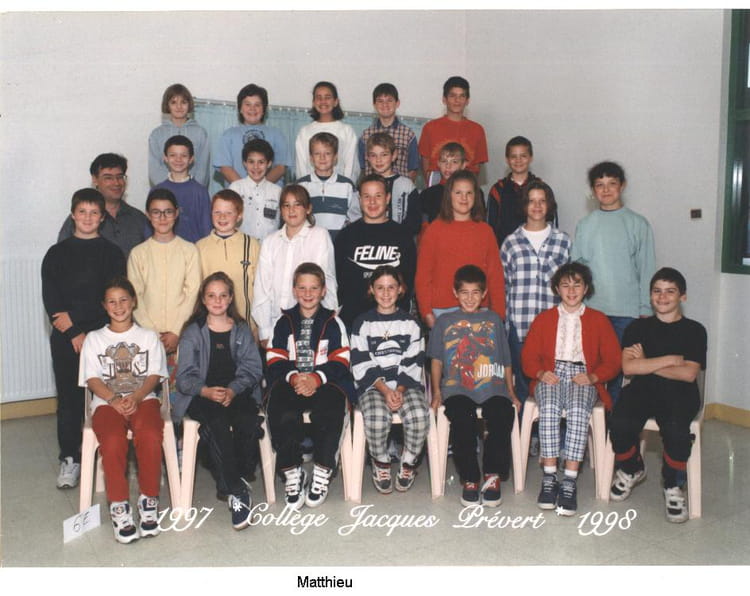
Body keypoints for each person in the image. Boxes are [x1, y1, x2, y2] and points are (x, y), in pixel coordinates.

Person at [42, 188, 127, 489]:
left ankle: (110, 455)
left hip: (103, 337)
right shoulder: (56, 254)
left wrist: (90, 335)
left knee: (107, 396)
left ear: (102, 218)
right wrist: (74, 332)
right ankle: (70, 458)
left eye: (94, 213)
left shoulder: (112, 253)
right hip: (67, 339)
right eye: (82, 212)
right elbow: (52, 301)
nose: (88, 218)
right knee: (70, 400)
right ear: (73, 215)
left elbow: (114, 298)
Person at [521, 263, 621, 515]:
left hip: (582, 375)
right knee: (549, 407)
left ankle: (569, 480)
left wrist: (593, 376)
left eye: (577, 285)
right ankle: (549, 476)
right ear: (557, 289)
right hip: (551, 373)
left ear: (586, 288)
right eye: (565, 285)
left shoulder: (598, 319)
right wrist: (540, 373)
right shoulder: (544, 319)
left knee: (578, 410)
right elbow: (528, 357)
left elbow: (613, 360)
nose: (572, 290)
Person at [608, 268, 706, 523]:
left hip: (681, 393)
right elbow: (629, 368)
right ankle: (632, 468)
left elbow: (688, 374)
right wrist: (671, 359)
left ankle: (673, 485)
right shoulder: (637, 327)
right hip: (642, 389)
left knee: (676, 430)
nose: (662, 297)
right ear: (650, 295)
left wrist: (646, 362)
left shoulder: (695, 330)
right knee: (619, 421)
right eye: (657, 291)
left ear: (683, 296)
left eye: (670, 291)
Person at [78, 276, 167, 544]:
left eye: (123, 300)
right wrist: (114, 398)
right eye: (112, 302)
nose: (118, 307)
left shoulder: (148, 336)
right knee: (113, 440)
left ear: (134, 301)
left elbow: (154, 375)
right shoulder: (94, 339)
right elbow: (92, 379)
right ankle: (119, 507)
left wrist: (137, 396)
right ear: (104, 306)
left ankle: (148, 500)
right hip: (106, 402)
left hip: (144, 398)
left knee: (150, 435)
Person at [173, 272, 263, 530]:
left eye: (223, 295)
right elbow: (184, 377)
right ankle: (236, 489)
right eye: (211, 295)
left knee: (247, 421)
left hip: (237, 391)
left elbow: (253, 368)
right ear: (203, 299)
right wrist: (205, 391)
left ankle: (235, 477)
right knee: (217, 424)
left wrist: (233, 390)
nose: (217, 300)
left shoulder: (241, 329)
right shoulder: (192, 333)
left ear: (231, 298)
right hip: (202, 394)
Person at [427, 265, 520, 506]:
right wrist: (436, 392)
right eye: (464, 292)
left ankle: (492, 474)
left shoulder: (493, 320)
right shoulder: (444, 322)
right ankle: (470, 478)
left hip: (493, 386)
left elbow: (506, 360)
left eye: (475, 293)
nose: (470, 298)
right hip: (457, 388)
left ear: (484, 293)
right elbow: (436, 360)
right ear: (455, 293)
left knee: (502, 414)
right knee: (461, 419)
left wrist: (511, 392)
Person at [265, 262, 354, 510]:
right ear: (294, 290)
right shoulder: (283, 322)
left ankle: (323, 469)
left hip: (325, 381)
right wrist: (295, 377)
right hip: (291, 381)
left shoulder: (334, 322)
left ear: (323, 291)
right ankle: (292, 471)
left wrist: (316, 378)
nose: (307, 293)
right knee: (281, 410)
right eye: (302, 288)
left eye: (314, 288)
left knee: (330, 410)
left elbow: (341, 359)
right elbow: (274, 358)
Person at [571, 161, 656, 403]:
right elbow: (576, 271)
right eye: (600, 185)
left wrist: (645, 308)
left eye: (612, 183)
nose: (606, 190)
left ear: (622, 186)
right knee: (591, 368)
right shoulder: (585, 225)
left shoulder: (638, 224)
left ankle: (614, 422)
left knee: (618, 370)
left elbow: (647, 268)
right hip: (592, 310)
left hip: (626, 313)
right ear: (593, 190)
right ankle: (591, 421)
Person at [350, 265, 428, 493]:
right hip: (374, 386)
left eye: (391, 287)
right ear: (371, 290)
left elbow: (413, 361)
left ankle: (409, 461)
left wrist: (399, 390)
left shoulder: (411, 324)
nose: (386, 293)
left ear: (400, 289)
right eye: (380, 288)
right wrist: (385, 391)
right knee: (376, 418)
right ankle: (381, 461)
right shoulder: (362, 324)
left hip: (406, 385)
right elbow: (361, 362)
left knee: (419, 415)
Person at [500, 180, 570, 412]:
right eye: (531, 201)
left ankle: (554, 433)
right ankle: (524, 433)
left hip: (555, 329)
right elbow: (504, 286)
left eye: (542, 201)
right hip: (520, 327)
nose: (537, 206)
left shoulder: (564, 241)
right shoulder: (510, 243)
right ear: (524, 205)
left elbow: (572, 287)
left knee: (556, 384)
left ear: (550, 205)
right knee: (522, 386)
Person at [127, 188, 201, 383]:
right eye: (156, 212)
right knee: (149, 390)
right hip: (147, 335)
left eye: (168, 212)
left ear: (176, 213)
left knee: (181, 388)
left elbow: (192, 293)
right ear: (147, 215)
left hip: (182, 334)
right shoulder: (138, 253)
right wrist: (153, 334)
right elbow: (135, 297)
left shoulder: (189, 250)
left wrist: (176, 330)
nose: (162, 218)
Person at [415, 170, 505, 329]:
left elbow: (495, 275)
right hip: (442, 311)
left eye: (469, 193)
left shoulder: (485, 231)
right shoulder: (434, 230)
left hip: (479, 309)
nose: (464, 198)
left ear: (476, 196)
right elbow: (423, 276)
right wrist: (426, 313)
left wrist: (499, 314)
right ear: (449, 195)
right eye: (458, 193)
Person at [252, 185, 338, 347]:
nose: (291, 210)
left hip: (311, 324)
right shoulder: (270, 241)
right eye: (286, 205)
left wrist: (328, 322)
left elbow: (327, 281)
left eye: (297, 204)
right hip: (275, 325)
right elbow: (262, 288)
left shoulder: (319, 236)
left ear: (308, 208)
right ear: (280, 210)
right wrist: (264, 329)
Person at [334, 174, 416, 329]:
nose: (372, 202)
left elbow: (409, 279)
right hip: (354, 319)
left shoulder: (402, 235)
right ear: (359, 199)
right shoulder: (346, 236)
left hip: (393, 319)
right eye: (367, 196)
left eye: (378, 196)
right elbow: (338, 280)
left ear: (387, 198)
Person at [58, 153, 147, 258]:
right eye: (108, 178)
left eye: (120, 177)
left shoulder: (139, 218)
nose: (116, 183)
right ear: (95, 180)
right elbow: (61, 257)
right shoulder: (80, 220)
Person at [196, 189, 261, 329]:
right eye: (217, 212)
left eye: (229, 213)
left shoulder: (252, 245)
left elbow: (261, 288)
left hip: (245, 325)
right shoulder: (199, 247)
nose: (222, 217)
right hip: (210, 326)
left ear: (239, 216)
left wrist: (258, 327)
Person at [213, 83, 291, 186]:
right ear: (240, 108)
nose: (252, 109)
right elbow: (225, 167)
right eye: (247, 104)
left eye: (257, 105)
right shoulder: (228, 135)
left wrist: (261, 187)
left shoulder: (277, 135)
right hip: (237, 193)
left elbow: (281, 167)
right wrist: (245, 189)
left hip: (270, 193)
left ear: (264, 109)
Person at [488, 135, 558, 248]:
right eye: (513, 156)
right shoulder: (497, 190)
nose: (518, 160)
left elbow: (552, 223)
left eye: (523, 156)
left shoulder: (543, 189)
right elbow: (490, 227)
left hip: (539, 249)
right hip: (506, 251)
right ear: (507, 159)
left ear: (531, 158)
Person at [418, 76, 488, 186]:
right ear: (444, 99)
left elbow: (477, 166)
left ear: (467, 101)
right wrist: (432, 187)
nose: (457, 100)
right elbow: (425, 161)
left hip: (465, 185)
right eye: (452, 96)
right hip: (437, 184)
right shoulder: (430, 128)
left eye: (462, 96)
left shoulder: (477, 130)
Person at [296, 132, 359, 240]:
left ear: (335, 157)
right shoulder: (301, 185)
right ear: (311, 158)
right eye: (317, 154)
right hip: (309, 244)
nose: (322, 158)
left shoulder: (347, 185)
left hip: (339, 243)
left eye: (328, 153)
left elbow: (355, 218)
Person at [151, 135, 212, 243]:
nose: (178, 159)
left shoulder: (200, 192)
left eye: (183, 155)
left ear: (191, 159)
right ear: (165, 158)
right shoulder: (156, 191)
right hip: (163, 249)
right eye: (173, 155)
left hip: (194, 249)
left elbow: (206, 229)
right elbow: (150, 228)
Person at [148, 83, 209, 186]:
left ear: (189, 104)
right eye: (173, 102)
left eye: (183, 102)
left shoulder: (200, 133)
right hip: (165, 191)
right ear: (167, 105)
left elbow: (203, 167)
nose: (179, 106)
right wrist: (168, 188)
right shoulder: (156, 134)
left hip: (192, 190)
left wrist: (193, 188)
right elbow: (155, 169)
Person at [295, 81, 358, 181]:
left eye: (327, 97)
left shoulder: (346, 131)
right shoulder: (305, 132)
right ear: (313, 102)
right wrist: (304, 186)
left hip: (340, 187)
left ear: (336, 101)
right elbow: (301, 165)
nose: (323, 101)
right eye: (318, 97)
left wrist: (346, 185)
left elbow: (351, 165)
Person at [357, 83, 419, 180]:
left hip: (399, 187)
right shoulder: (365, 135)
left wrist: (405, 186)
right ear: (374, 105)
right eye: (380, 101)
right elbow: (363, 168)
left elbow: (413, 169)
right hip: (373, 187)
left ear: (397, 103)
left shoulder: (408, 135)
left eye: (389, 100)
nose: (385, 105)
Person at [364, 132, 421, 235]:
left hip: (399, 238)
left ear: (394, 155)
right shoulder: (364, 185)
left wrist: (397, 236)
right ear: (367, 157)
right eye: (373, 155)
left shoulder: (406, 186)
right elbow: (356, 217)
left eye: (384, 155)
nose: (378, 160)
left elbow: (414, 221)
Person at [229, 138, 282, 241]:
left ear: (269, 164)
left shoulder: (277, 191)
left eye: (261, 162)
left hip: (269, 246)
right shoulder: (235, 188)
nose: (256, 167)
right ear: (244, 163)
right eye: (251, 162)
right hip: (242, 246)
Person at [418, 142, 468, 228]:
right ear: (438, 163)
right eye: (444, 161)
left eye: (454, 162)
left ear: (463, 165)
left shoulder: (472, 193)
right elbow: (423, 227)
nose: (448, 166)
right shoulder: (427, 194)